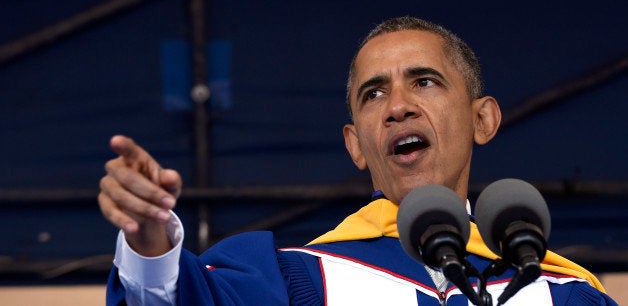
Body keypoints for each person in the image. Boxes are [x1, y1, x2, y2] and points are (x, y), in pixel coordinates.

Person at [99, 16, 617, 305]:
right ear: (354, 143)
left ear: (483, 119)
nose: (398, 107)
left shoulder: (560, 294)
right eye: (373, 94)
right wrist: (149, 236)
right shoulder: (297, 280)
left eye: (425, 81)